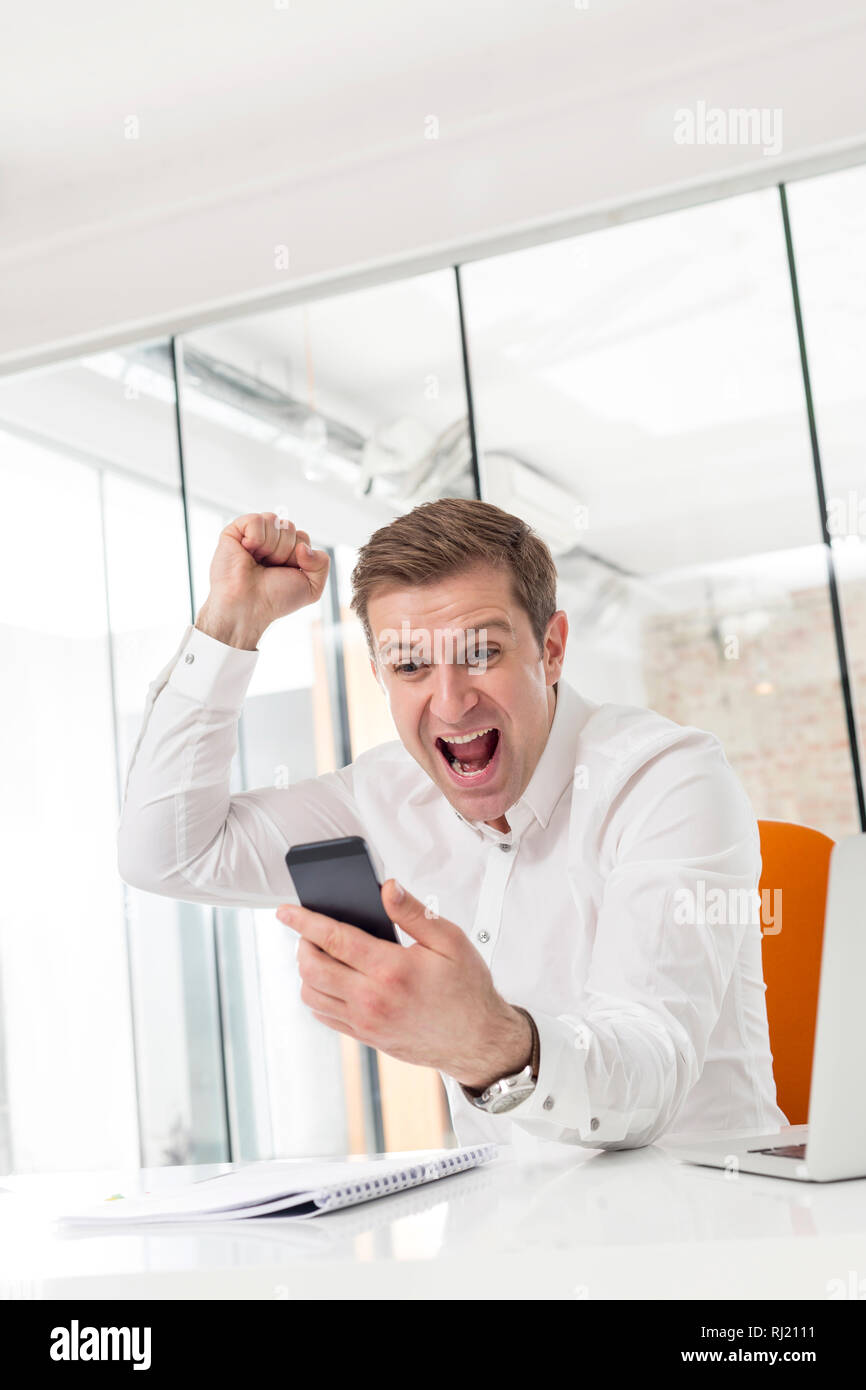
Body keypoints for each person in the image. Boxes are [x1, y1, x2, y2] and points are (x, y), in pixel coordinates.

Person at [117, 497, 787, 1151]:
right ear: (380, 675)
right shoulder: (381, 796)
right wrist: (229, 627)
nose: (451, 701)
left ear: (551, 650)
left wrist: (487, 1044)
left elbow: (651, 1067)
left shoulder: (667, 779)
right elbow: (168, 853)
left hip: (704, 1234)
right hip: (507, 1236)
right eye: (411, 666)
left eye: (482, 653)